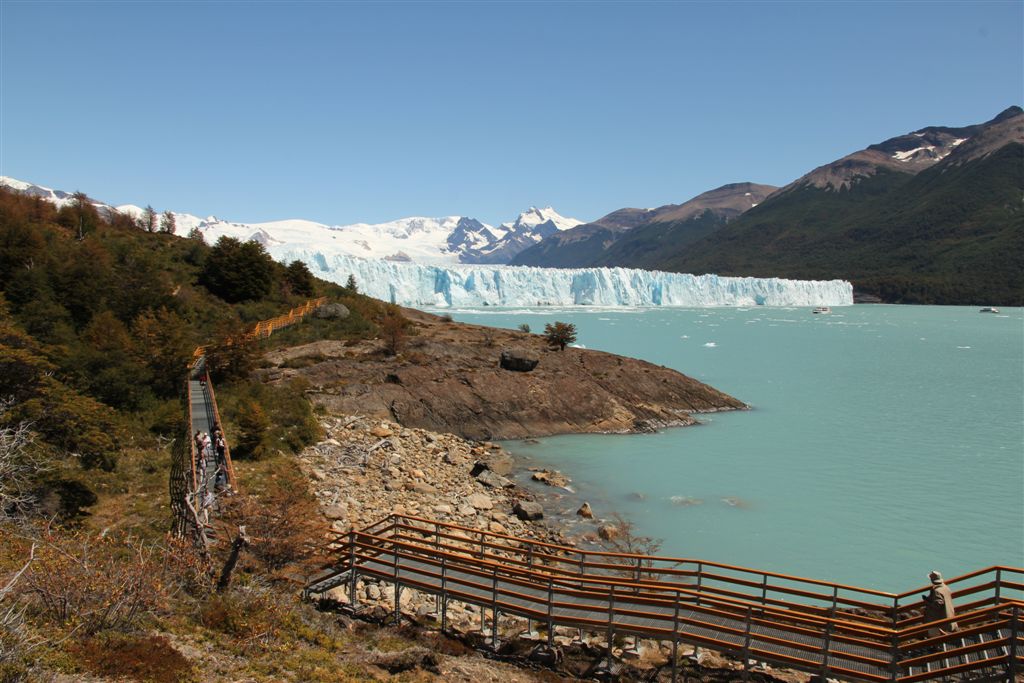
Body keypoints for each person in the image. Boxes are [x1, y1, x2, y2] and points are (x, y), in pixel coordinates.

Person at [922, 570, 958, 637]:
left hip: (938, 620)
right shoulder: (946, 588)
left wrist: (927, 602)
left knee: (935, 636)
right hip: (950, 617)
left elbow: (938, 604)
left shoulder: (936, 591)